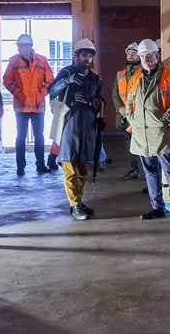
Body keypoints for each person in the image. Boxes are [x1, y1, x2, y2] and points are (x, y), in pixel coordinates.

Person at [125, 39, 170, 225]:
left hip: (162, 132)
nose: (146, 60)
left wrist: (165, 119)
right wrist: (131, 118)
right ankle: (157, 207)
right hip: (141, 133)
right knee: (151, 172)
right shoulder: (136, 76)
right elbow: (129, 100)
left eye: (149, 56)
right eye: (143, 57)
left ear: (157, 56)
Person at [48, 39, 105, 220]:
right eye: (84, 55)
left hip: (88, 127)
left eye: (89, 56)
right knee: (70, 166)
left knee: (82, 167)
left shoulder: (95, 79)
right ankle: (74, 204)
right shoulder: (66, 72)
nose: (87, 59)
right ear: (76, 55)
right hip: (68, 126)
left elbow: (102, 103)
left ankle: (78, 202)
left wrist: (90, 100)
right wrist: (67, 81)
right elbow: (51, 91)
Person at [3, 34, 54, 176]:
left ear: (29, 46)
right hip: (21, 106)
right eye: (18, 46)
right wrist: (18, 93)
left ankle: (40, 164)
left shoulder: (42, 61)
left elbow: (50, 79)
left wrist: (42, 93)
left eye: (21, 46)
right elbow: (7, 80)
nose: (19, 48)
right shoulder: (13, 61)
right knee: (20, 137)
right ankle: (20, 167)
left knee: (39, 137)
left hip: (38, 106)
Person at [112, 42, 142, 180]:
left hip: (140, 114)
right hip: (125, 116)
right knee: (129, 141)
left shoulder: (144, 72)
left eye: (134, 53)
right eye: (129, 53)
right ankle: (133, 169)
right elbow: (115, 93)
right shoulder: (120, 74)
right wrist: (120, 108)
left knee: (144, 142)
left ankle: (148, 170)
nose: (131, 55)